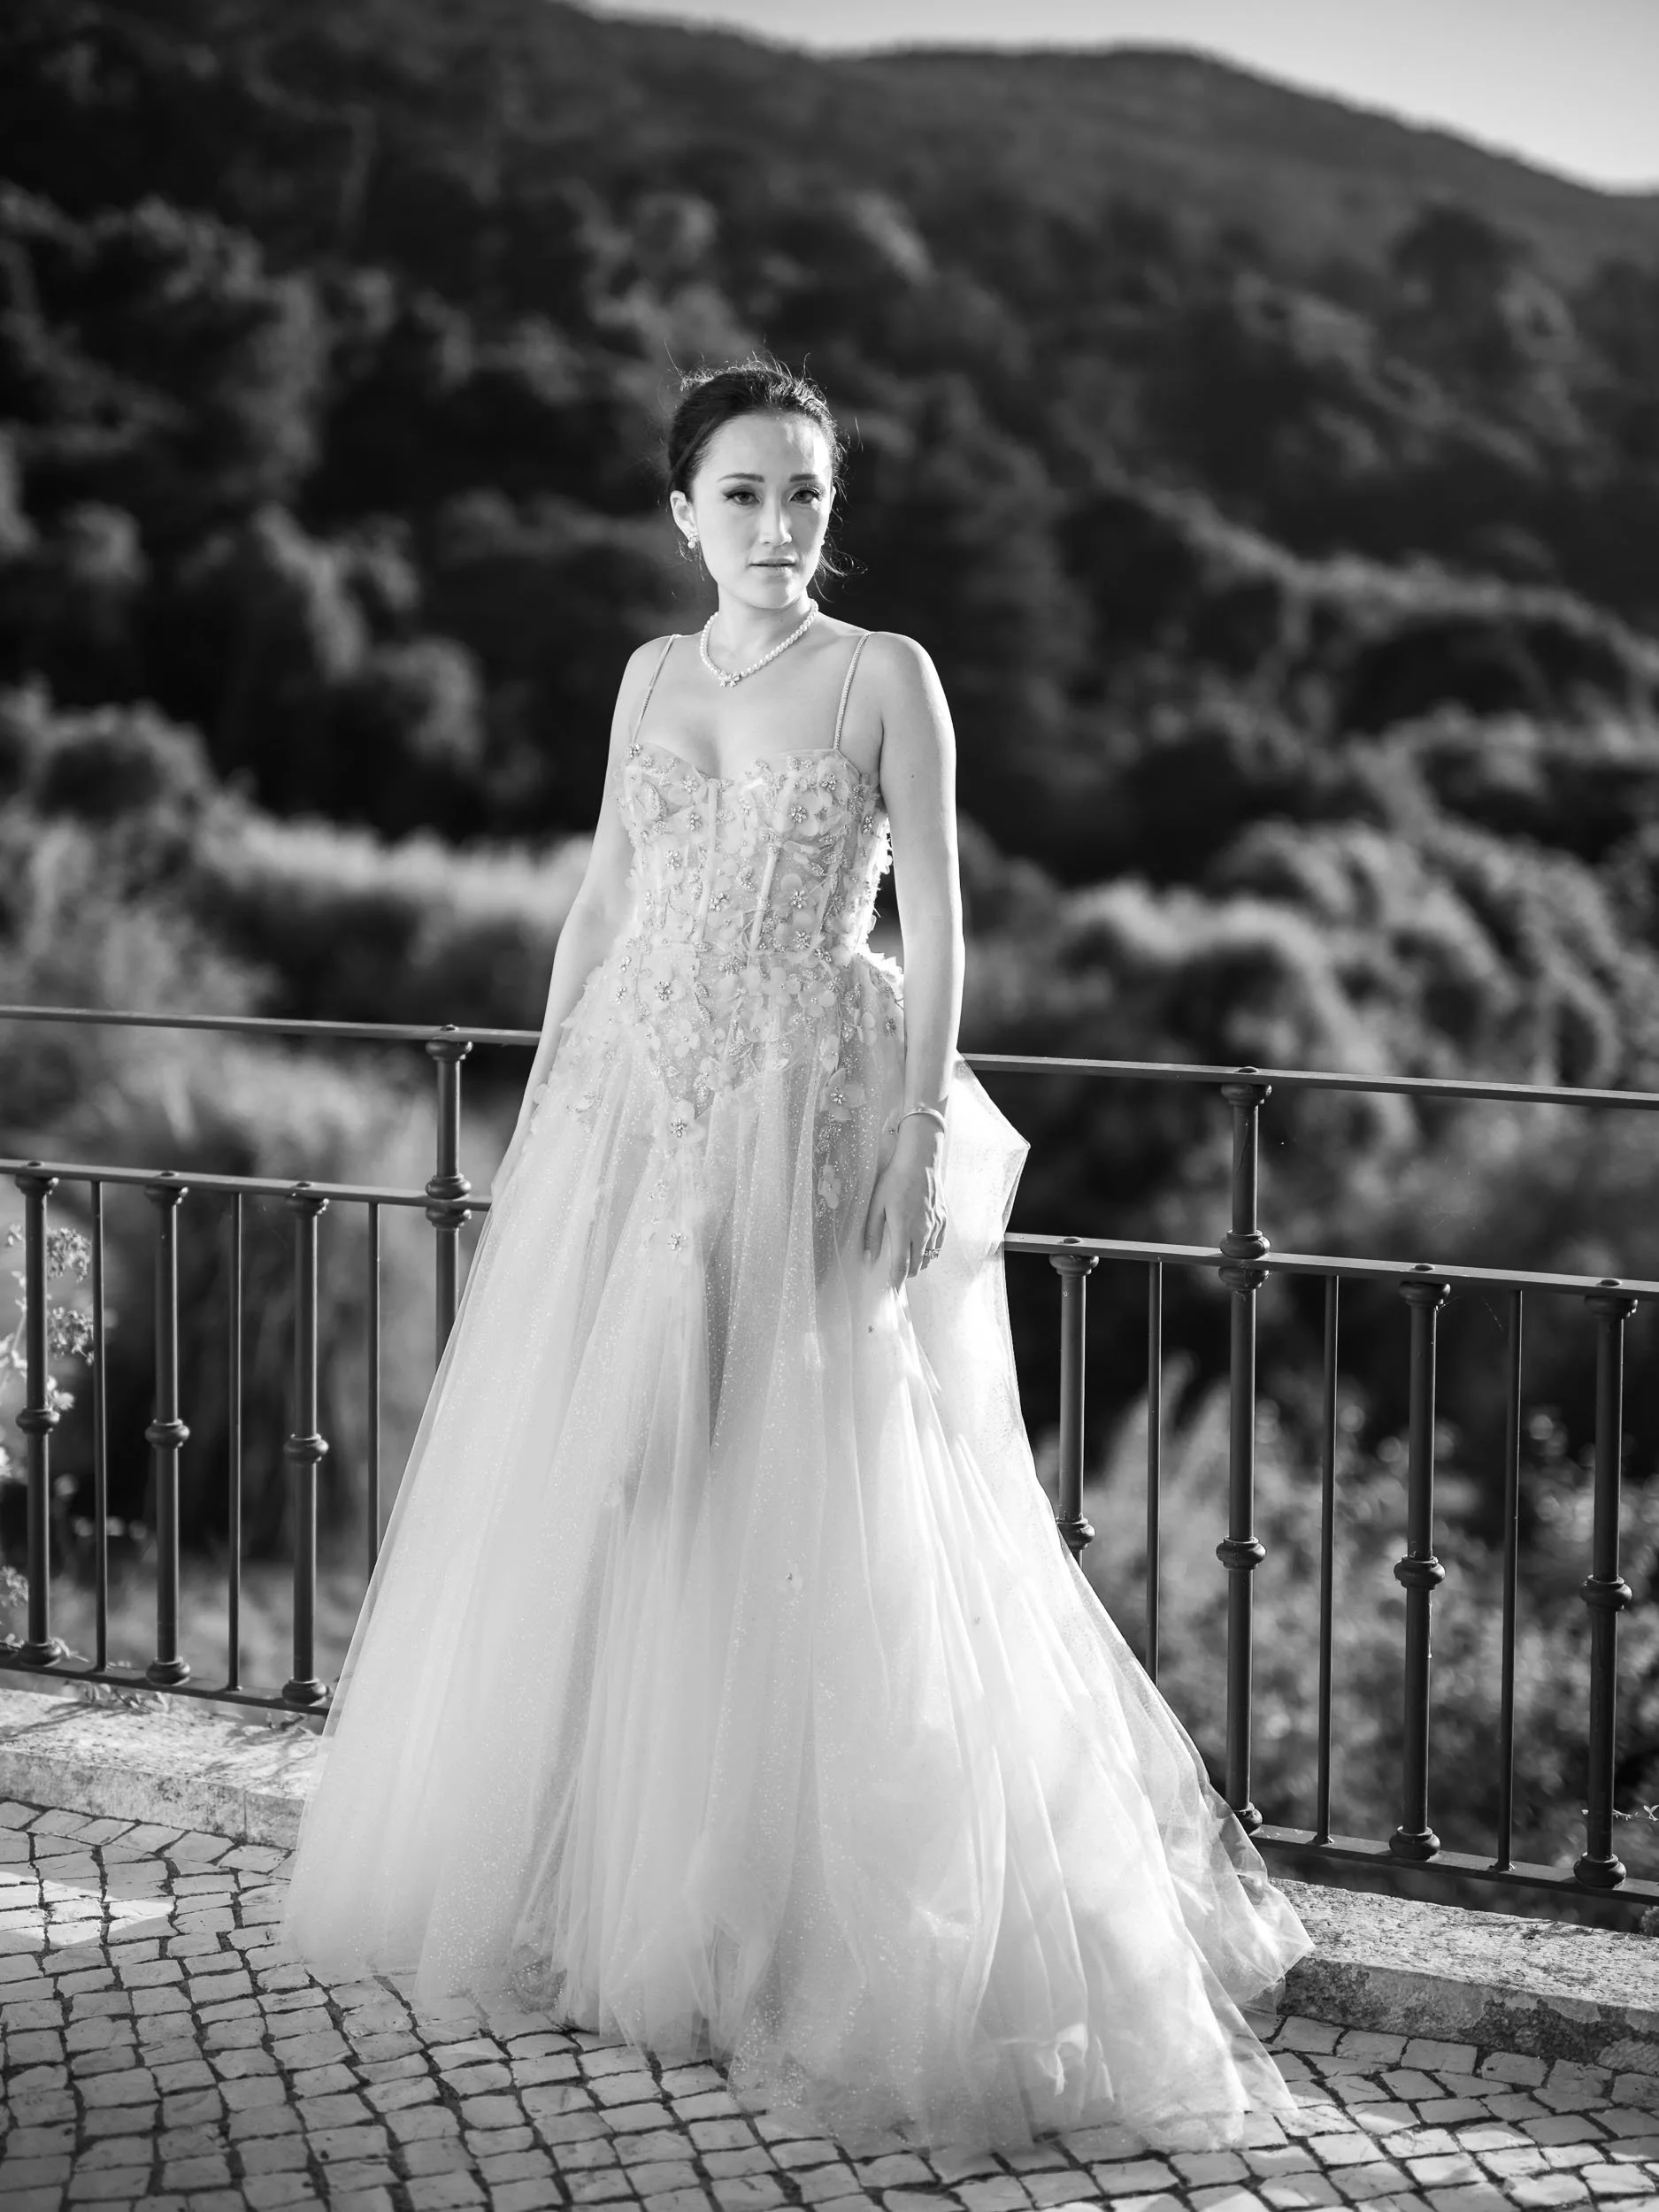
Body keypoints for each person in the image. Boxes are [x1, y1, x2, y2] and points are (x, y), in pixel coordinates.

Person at [280, 357, 1310, 2154]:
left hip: (795, 1101)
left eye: (806, 493)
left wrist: (910, 1135)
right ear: (681, 510)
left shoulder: (878, 673)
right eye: (744, 491)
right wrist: (542, 1104)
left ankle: (769, 1925)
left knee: (790, 1481)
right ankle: (598, 1885)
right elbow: (603, 894)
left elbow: (944, 917)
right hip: (635, 1097)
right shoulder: (646, 675)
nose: (778, 524)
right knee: (611, 1482)